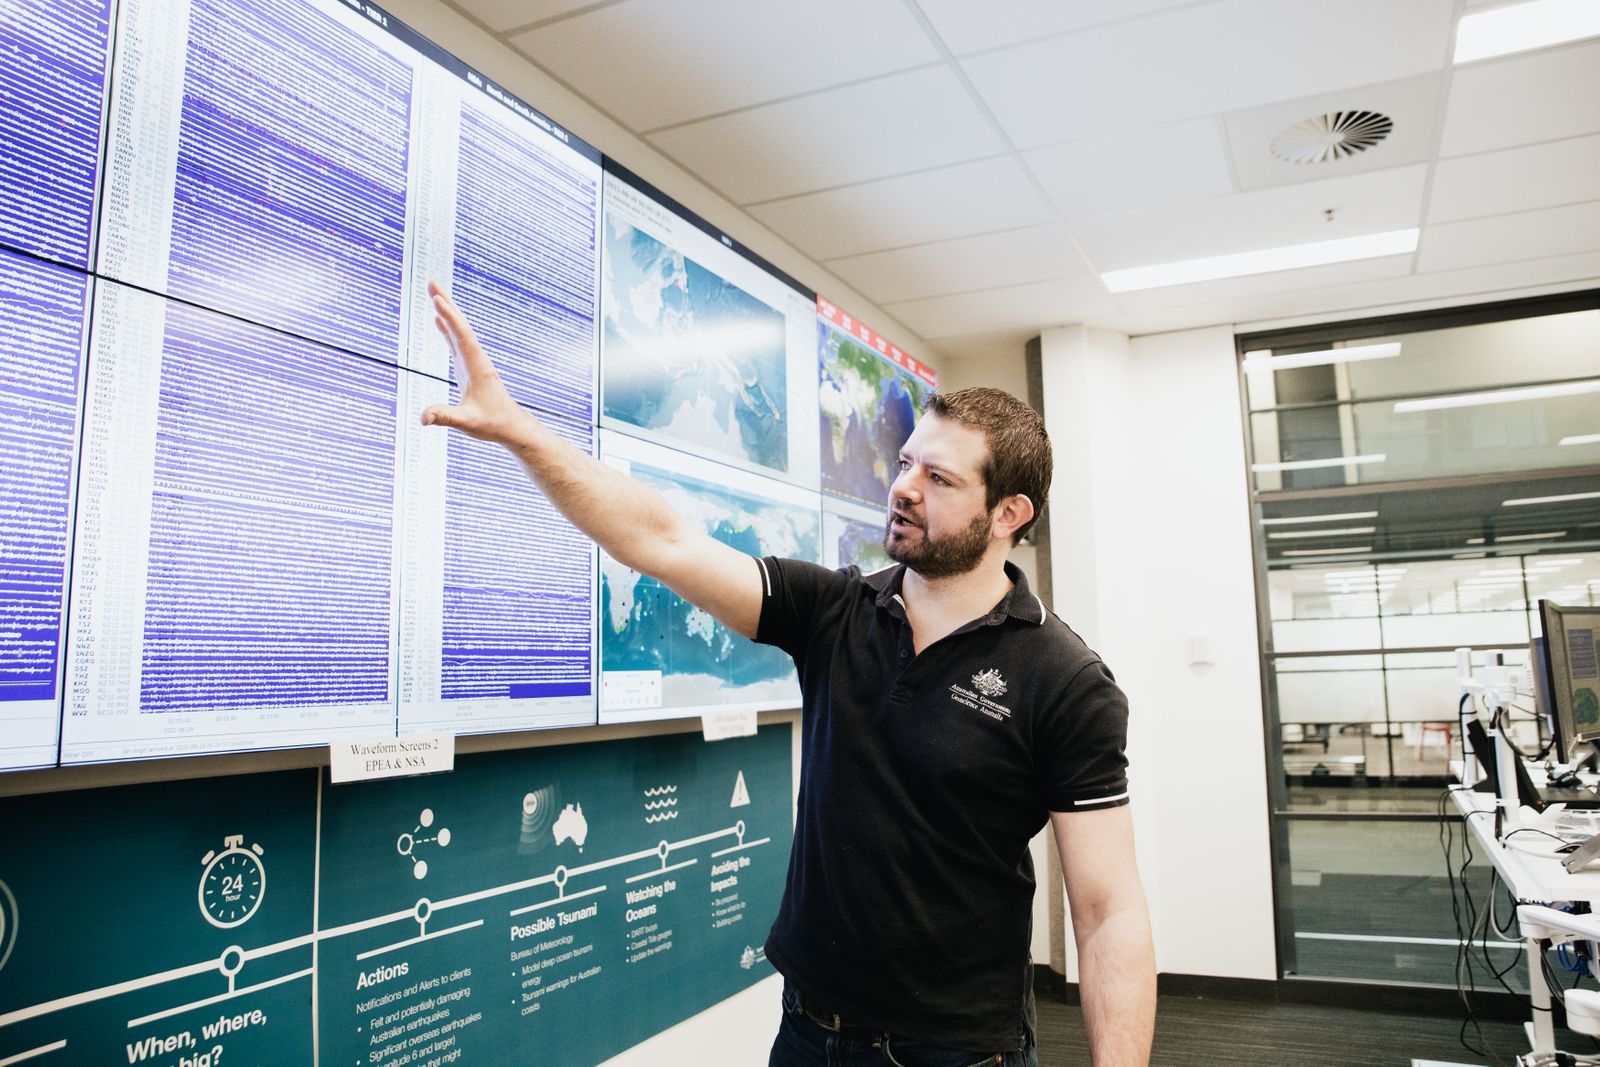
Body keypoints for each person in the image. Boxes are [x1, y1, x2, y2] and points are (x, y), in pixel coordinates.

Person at [421, 281, 1156, 1066]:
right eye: (906, 463)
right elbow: (660, 540)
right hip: (808, 1031)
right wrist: (521, 433)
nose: (903, 486)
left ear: (1009, 514)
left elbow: (1108, 909)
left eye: (939, 479)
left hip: (958, 1050)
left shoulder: (1065, 677)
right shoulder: (834, 610)